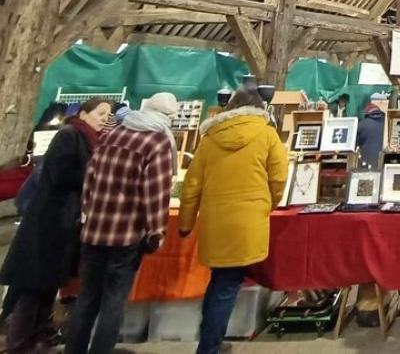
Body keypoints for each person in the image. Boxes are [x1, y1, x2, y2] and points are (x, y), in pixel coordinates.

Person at [63, 93, 178, 354]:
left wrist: (87, 215)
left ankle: (74, 350)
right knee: (113, 301)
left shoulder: (111, 135)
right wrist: (155, 230)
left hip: (94, 230)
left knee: (87, 298)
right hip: (126, 234)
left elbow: (89, 180)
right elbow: (156, 191)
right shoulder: (156, 142)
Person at [0, 98, 113, 354]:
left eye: (108, 114)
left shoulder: (89, 139)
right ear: (83, 114)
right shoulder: (69, 135)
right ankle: (18, 344)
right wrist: (96, 175)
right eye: (100, 113)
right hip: (48, 222)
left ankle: (37, 337)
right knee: (33, 287)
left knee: (47, 286)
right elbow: (58, 174)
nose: (104, 117)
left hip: (64, 223)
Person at [178, 89, 287, 354]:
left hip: (216, 221)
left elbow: (191, 186)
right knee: (225, 285)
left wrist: (185, 224)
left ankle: (210, 341)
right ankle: (209, 347)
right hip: (250, 221)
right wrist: (268, 204)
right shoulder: (266, 134)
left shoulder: (209, 139)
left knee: (220, 282)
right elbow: (279, 177)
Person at [355, 92, 387, 168]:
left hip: (367, 165)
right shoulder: (387, 123)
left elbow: (355, 146)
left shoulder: (361, 125)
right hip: (386, 165)